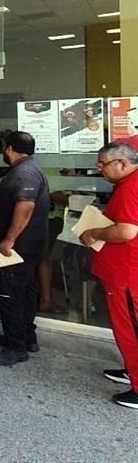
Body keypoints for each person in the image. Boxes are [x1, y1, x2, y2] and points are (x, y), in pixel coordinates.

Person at [80, 141, 138, 409]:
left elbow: (126, 231)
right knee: (125, 328)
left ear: (122, 164)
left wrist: (94, 233)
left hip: (127, 274)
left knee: (131, 330)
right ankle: (131, 370)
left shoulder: (130, 187)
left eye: (103, 164)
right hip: (122, 271)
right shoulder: (127, 184)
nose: (98, 168)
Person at [0, 132, 50, 367]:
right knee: (24, 292)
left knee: (9, 294)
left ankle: (16, 346)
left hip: (17, 248)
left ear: (9, 148)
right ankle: (25, 335)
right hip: (29, 246)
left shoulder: (24, 172)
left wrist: (9, 239)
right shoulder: (31, 168)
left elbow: (25, 206)